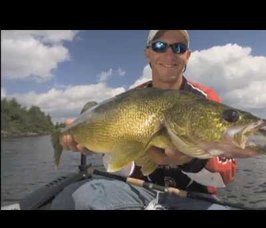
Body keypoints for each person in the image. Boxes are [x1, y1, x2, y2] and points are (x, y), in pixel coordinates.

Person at [51, 30, 237, 210]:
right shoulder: (132, 99)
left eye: (178, 48)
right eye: (160, 46)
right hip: (141, 193)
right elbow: (120, 169)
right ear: (148, 53)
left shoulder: (205, 99)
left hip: (196, 198)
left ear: (187, 56)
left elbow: (224, 177)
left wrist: (190, 161)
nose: (169, 54)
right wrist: (100, 147)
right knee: (75, 197)